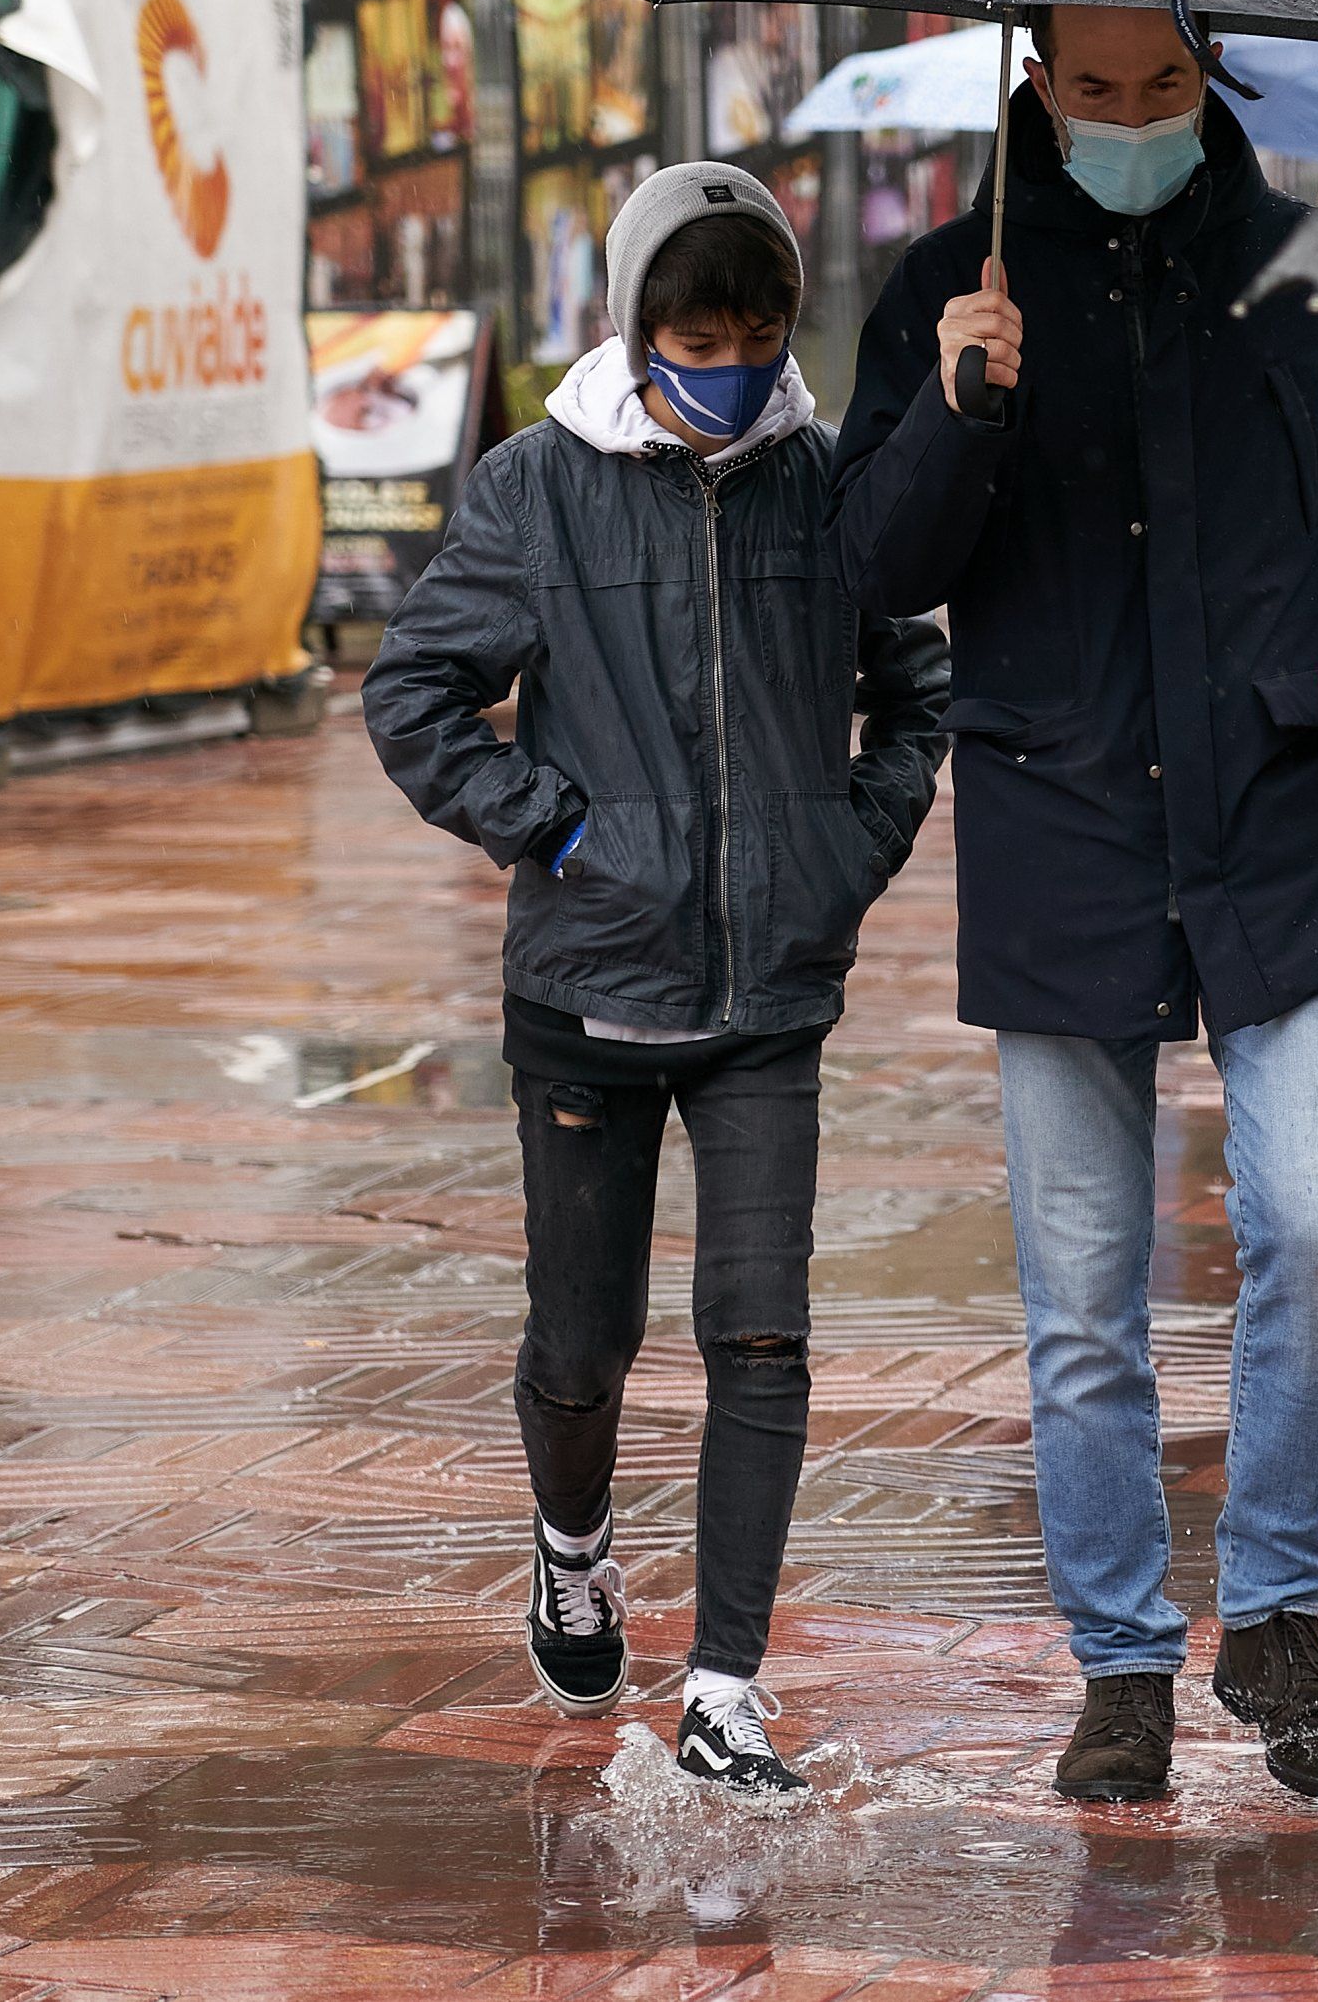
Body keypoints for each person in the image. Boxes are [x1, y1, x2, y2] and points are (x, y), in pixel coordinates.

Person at [828, 3, 1318, 1806]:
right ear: (1036, 78)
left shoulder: (1311, 265)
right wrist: (960, 410)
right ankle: (1119, 1658)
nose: (1131, 119)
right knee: (1081, 1294)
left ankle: (1276, 1611)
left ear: (1214, 76)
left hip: (1286, 810)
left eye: (1167, 86)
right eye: (1096, 87)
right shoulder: (941, 286)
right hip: (1061, 824)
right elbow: (866, 575)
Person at [364, 161, 952, 1803]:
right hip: (588, 992)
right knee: (584, 1338)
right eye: (699, 334)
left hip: (771, 994)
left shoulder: (828, 484)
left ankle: (726, 1686)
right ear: (640, 327)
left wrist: (852, 841)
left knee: (762, 1334)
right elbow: (412, 693)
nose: (731, 363)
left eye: (758, 332)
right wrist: (546, 827)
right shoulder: (537, 489)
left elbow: (918, 691)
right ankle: (572, 1542)